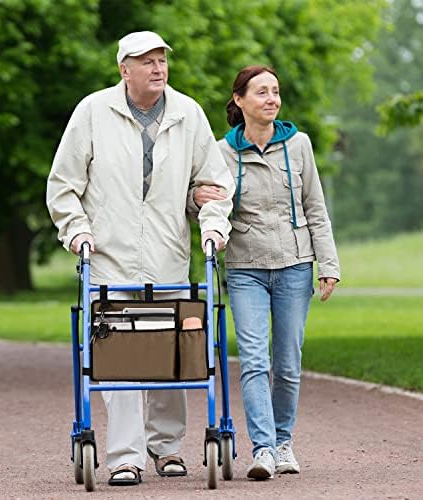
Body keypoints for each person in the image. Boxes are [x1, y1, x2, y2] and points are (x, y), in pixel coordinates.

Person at [46, 31, 234, 486]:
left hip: (168, 253)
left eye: (161, 60)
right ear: (123, 69)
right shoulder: (93, 111)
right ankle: (125, 457)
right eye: (145, 61)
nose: (157, 68)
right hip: (109, 256)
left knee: (174, 350)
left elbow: (214, 184)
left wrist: (211, 221)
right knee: (119, 356)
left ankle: (167, 448)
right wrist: (78, 232)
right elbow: (63, 185)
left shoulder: (188, 113)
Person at [193, 65, 340, 480]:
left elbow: (316, 209)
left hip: (295, 265)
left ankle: (283, 441)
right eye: (262, 92)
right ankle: (263, 450)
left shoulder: (300, 146)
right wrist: (195, 197)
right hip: (245, 269)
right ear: (239, 100)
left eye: (275, 92)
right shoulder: (222, 152)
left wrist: (328, 264)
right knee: (255, 361)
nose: (272, 99)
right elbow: (205, 199)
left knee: (288, 362)